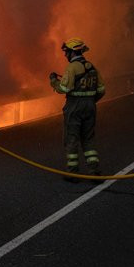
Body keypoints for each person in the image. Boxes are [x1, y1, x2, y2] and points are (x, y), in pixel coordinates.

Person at [49, 37, 106, 181]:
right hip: (90, 107)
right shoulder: (92, 67)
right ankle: (94, 171)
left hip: (74, 107)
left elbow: (64, 88)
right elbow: (102, 89)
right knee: (88, 139)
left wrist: (53, 81)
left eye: (66, 52)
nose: (65, 55)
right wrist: (91, 101)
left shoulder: (72, 67)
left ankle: (73, 172)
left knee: (71, 139)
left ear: (72, 52)